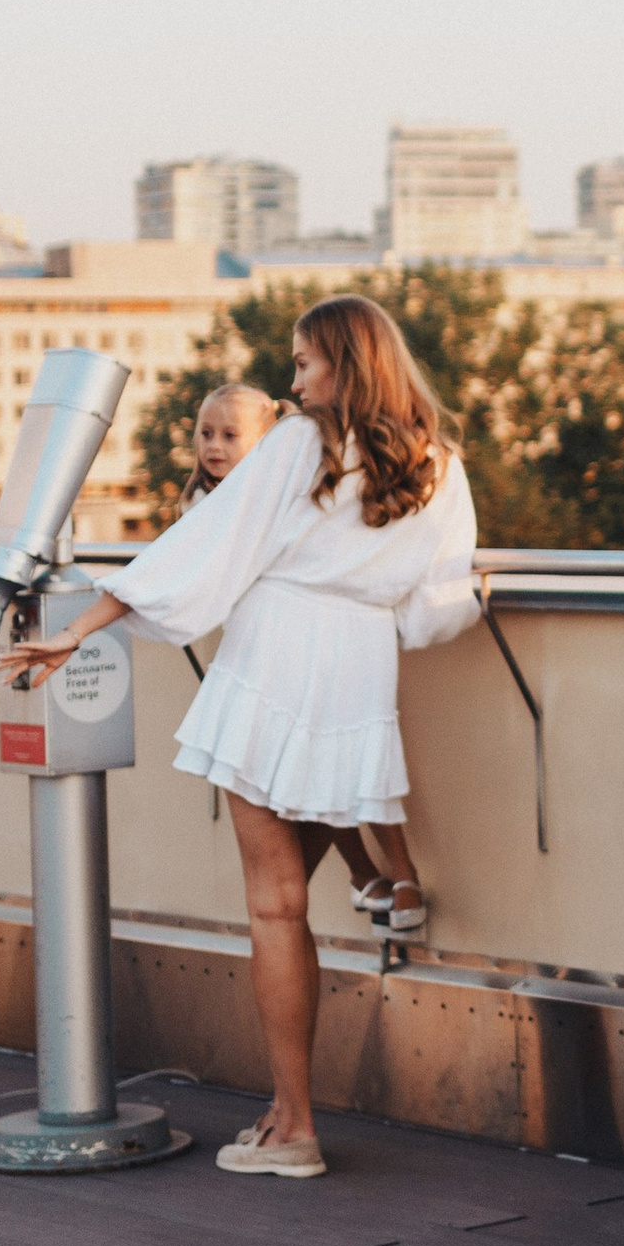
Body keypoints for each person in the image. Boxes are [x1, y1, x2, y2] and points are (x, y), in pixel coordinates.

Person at [0, 295, 478, 1180]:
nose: (296, 381)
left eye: (304, 362)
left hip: (272, 662)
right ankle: (291, 1107)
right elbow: (435, 613)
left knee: (275, 906)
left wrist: (79, 629)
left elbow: (205, 547)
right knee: (300, 885)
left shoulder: (301, 443)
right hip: (359, 674)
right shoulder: (438, 464)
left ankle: (294, 1126)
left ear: (344, 363)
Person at [182, 380, 432, 943]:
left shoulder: (291, 491)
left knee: (350, 762)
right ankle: (365, 873)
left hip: (321, 648)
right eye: (206, 434)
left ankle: (396, 872)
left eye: (229, 435)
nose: (214, 446)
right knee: (311, 783)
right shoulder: (204, 503)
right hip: (266, 661)